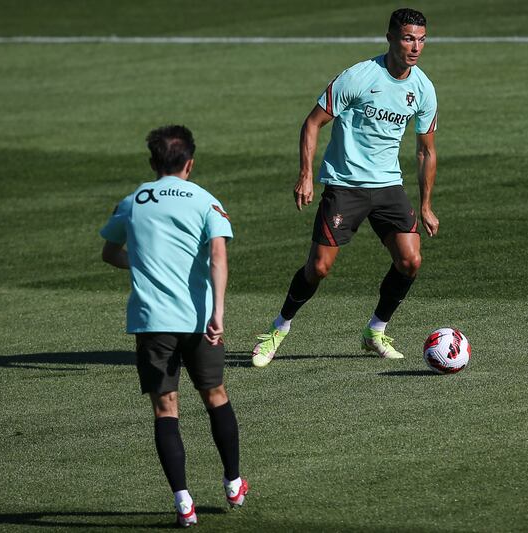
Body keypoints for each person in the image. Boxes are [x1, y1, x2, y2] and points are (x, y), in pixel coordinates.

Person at [252, 8, 438, 367]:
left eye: (421, 39)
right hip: (345, 186)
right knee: (319, 268)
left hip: (387, 187)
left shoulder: (423, 89)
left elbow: (426, 150)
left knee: (410, 261)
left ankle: (375, 330)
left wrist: (426, 204)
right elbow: (312, 123)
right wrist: (306, 175)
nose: (415, 46)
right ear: (390, 38)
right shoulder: (359, 76)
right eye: (408, 38)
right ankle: (278, 328)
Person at [100, 125, 248, 527]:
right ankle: (233, 482)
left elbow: (110, 252)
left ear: (152, 163)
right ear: (190, 163)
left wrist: (144, 265)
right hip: (200, 321)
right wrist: (218, 312)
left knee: (166, 409)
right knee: (215, 395)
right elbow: (218, 256)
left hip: (152, 322)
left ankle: (184, 503)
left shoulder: (133, 201)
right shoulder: (205, 201)